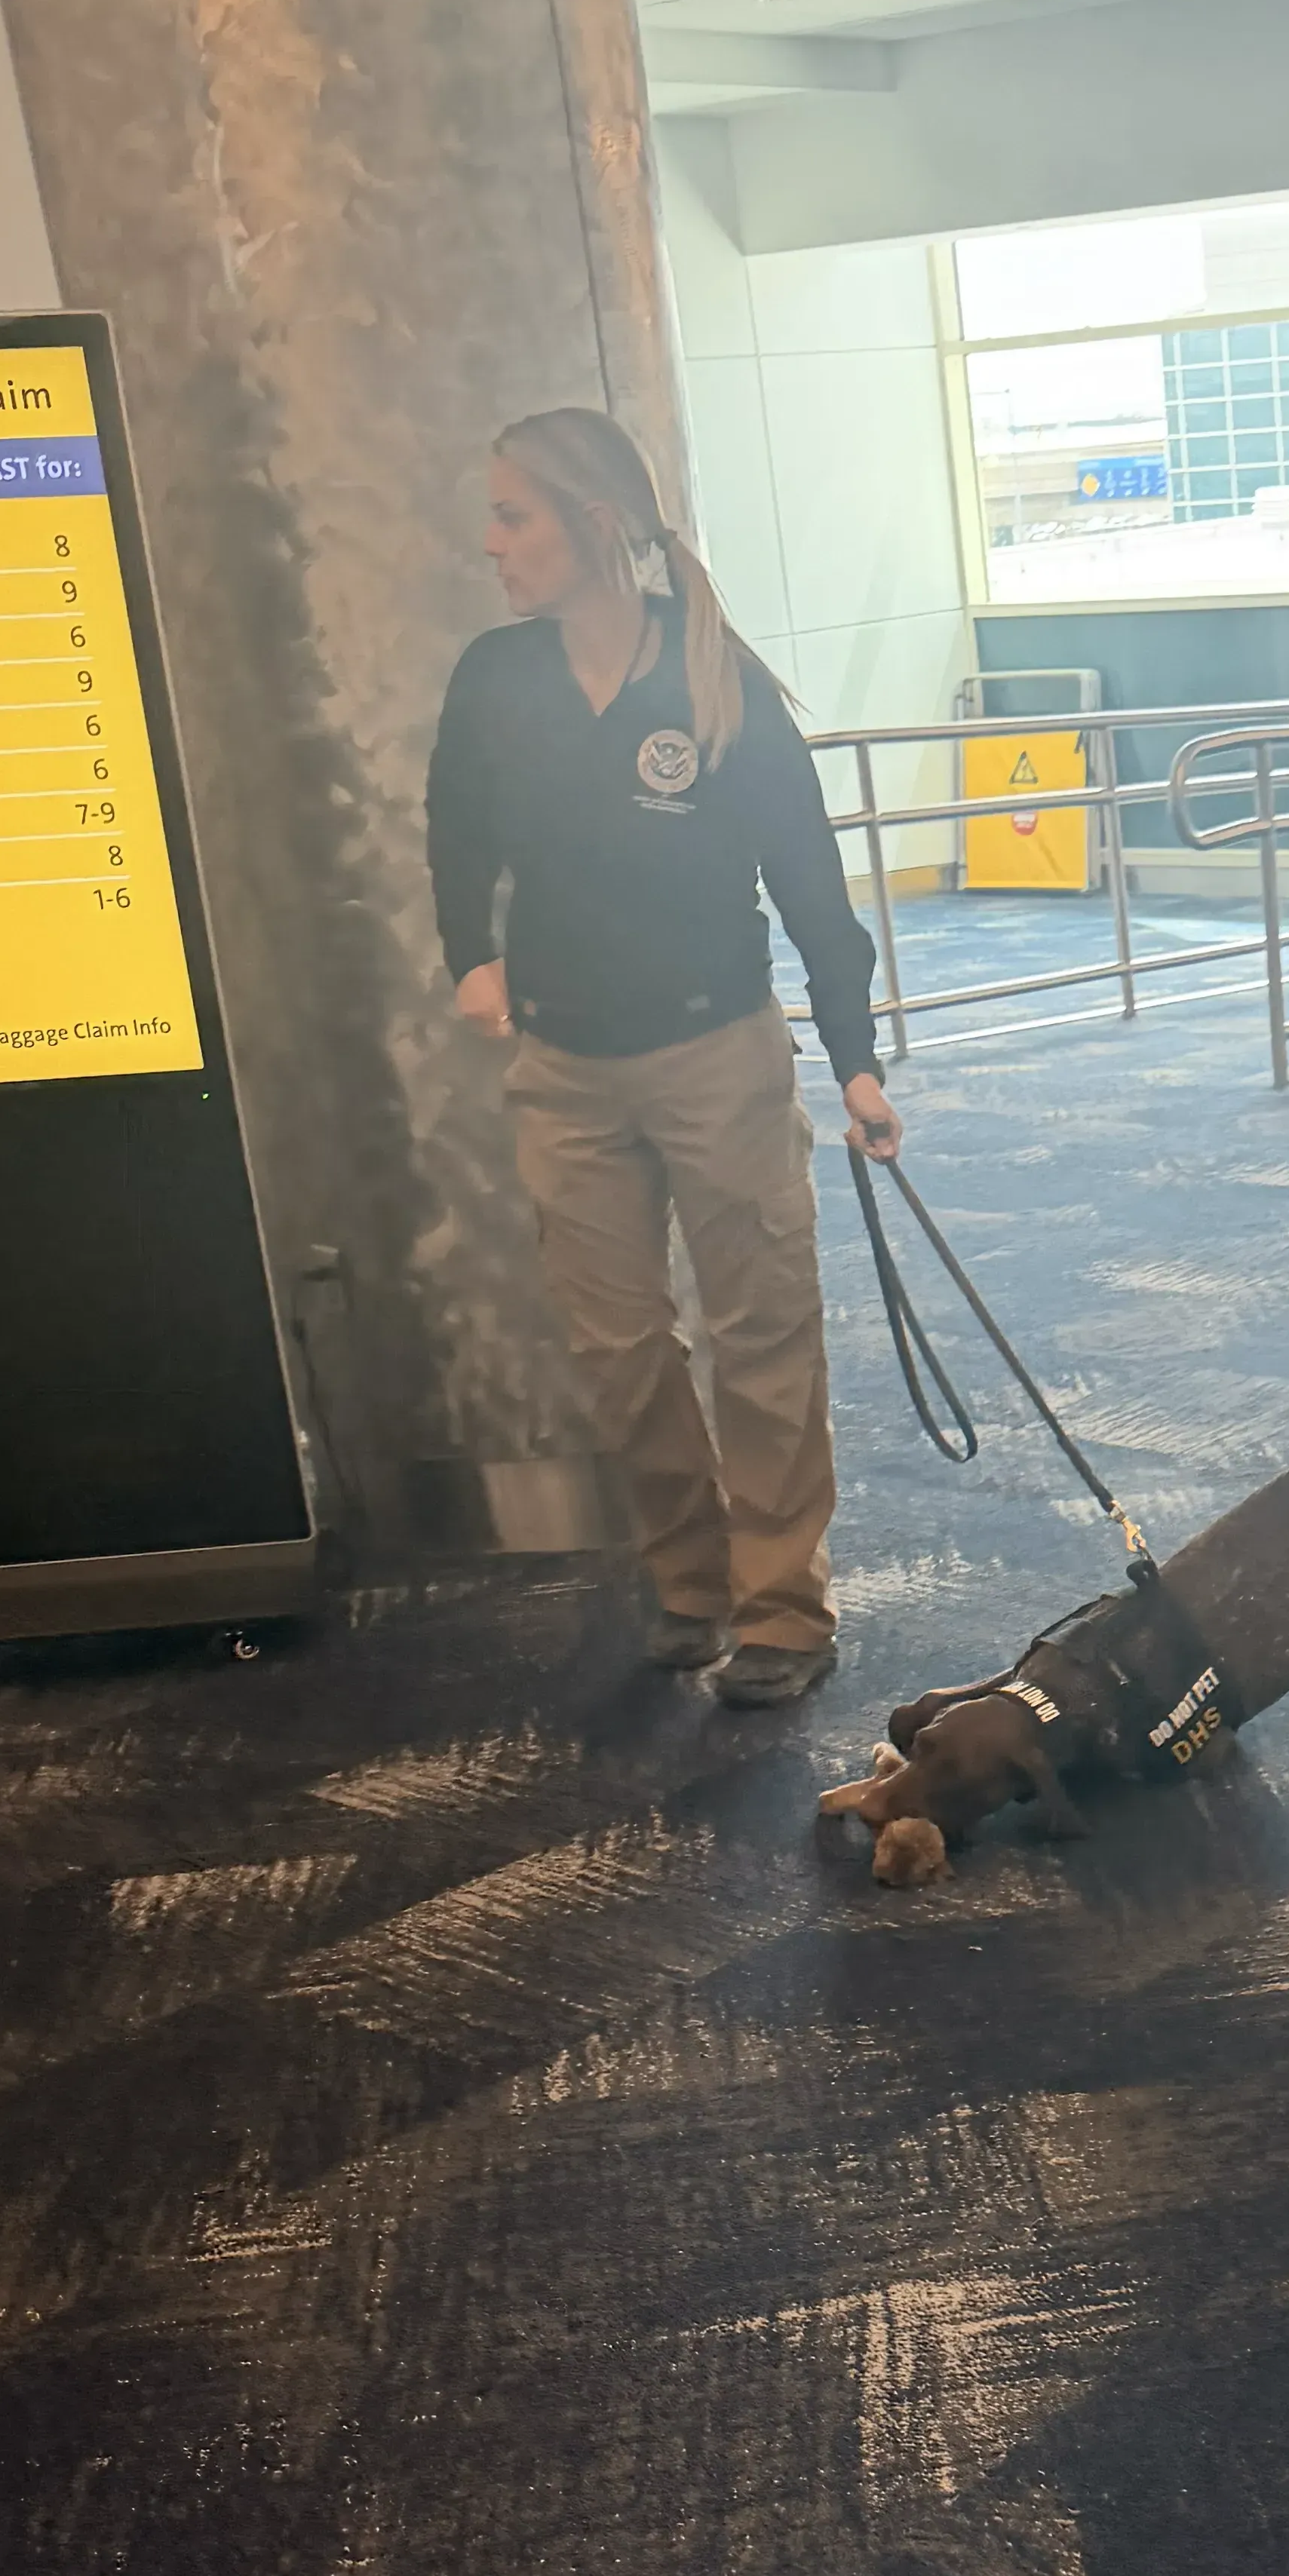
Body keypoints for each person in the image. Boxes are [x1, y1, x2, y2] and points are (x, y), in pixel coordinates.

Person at [428, 405, 901, 1700]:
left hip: (717, 1056)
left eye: (512, 515)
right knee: (619, 1347)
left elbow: (809, 881)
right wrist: (470, 953)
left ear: (588, 524)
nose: (492, 542)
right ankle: (691, 1584)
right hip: (566, 1072)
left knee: (760, 1333)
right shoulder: (496, 678)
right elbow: (454, 831)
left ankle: (781, 1607)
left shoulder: (711, 678)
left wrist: (853, 1058)